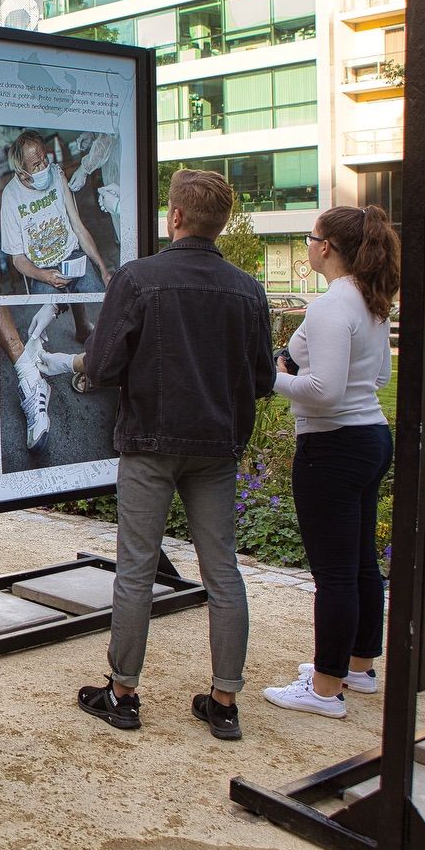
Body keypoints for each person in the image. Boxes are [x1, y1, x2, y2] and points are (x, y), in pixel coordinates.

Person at [76, 169, 274, 741]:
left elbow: (104, 364)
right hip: (216, 448)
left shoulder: (139, 279)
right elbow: (263, 378)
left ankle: (123, 694)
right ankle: (225, 701)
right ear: (222, 223)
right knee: (223, 571)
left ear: (177, 217)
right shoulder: (248, 289)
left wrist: (86, 366)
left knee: (136, 569)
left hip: (150, 443)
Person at [262, 205, 400, 719]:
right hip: (370, 437)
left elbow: (324, 391)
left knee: (334, 573)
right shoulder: (370, 300)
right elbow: (380, 378)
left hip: (332, 446)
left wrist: (271, 377)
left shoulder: (329, 307)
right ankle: (358, 666)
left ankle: (324, 688)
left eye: (311, 237)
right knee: (361, 561)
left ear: (326, 247)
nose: (308, 244)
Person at [0, 130, 112, 449]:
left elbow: (78, 226)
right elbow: (18, 259)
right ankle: (39, 375)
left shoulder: (57, 175)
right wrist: (45, 276)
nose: (44, 166)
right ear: (22, 172)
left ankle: (82, 334)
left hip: (71, 255)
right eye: (36, 164)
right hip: (40, 267)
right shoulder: (11, 197)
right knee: (38, 328)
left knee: (98, 293)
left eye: (45, 158)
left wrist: (103, 268)